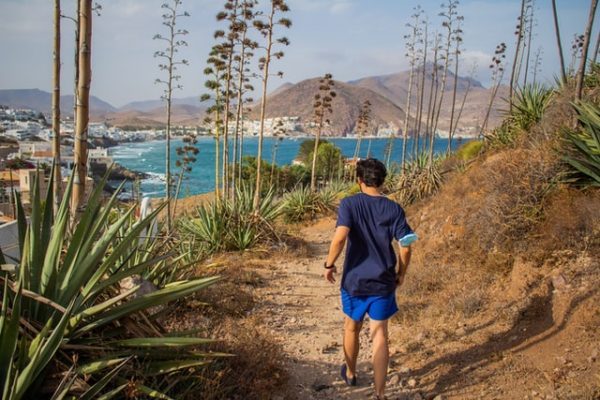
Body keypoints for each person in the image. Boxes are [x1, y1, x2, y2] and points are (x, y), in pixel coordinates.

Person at [324, 158, 417, 400]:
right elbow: (405, 246)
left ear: (359, 180)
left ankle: (352, 373)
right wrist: (401, 273)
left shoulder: (349, 204)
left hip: (354, 282)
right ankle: (380, 393)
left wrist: (329, 264)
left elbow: (340, 237)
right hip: (384, 281)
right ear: (383, 181)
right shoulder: (394, 209)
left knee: (351, 327)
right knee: (380, 334)